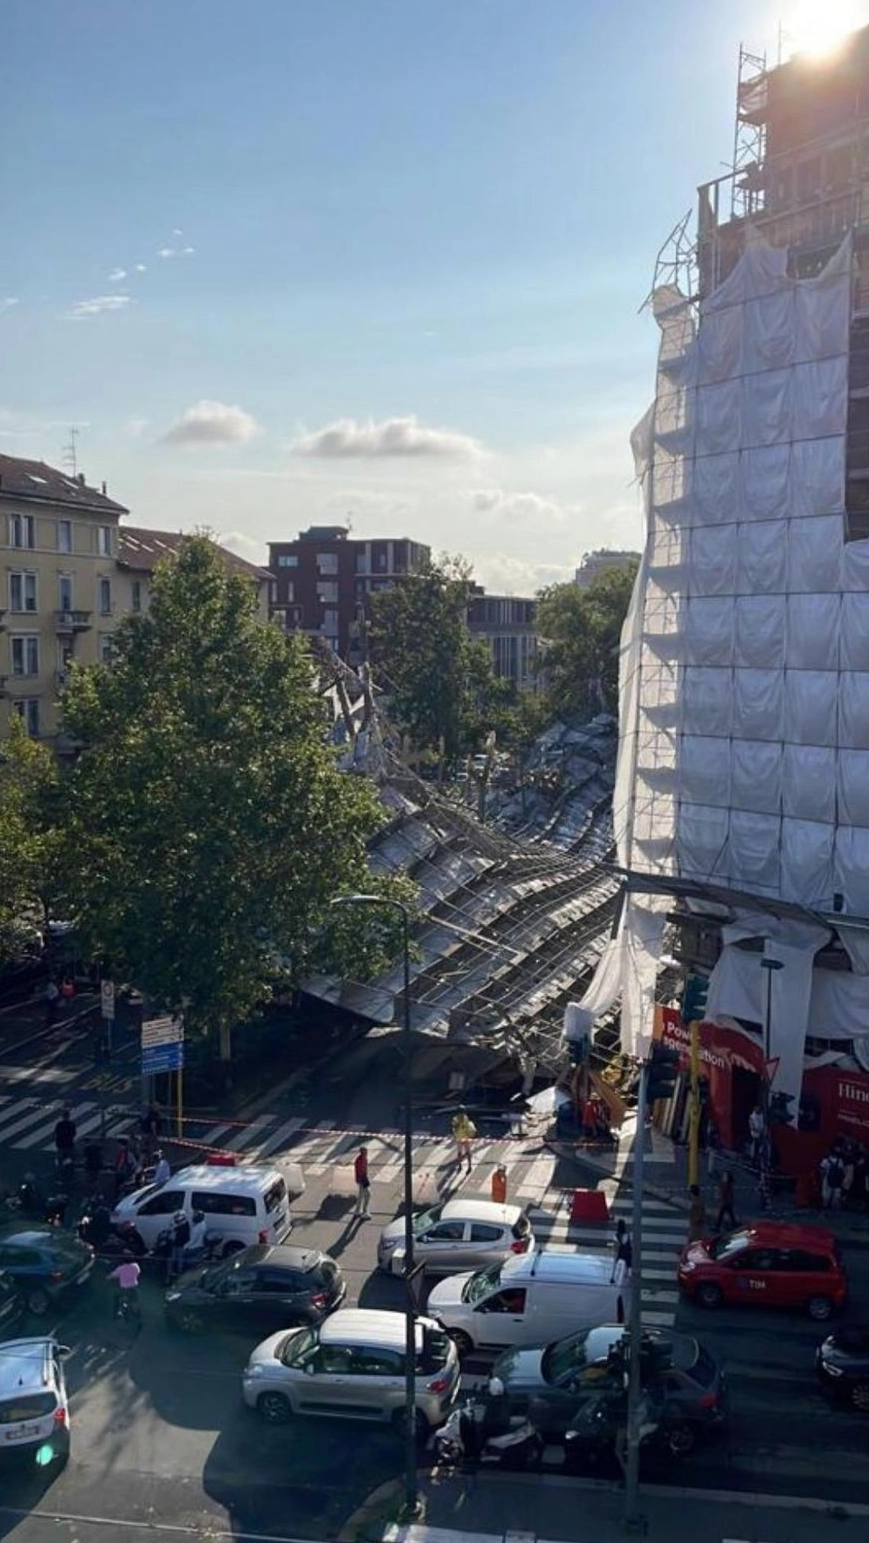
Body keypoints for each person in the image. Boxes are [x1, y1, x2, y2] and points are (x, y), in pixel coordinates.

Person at [108, 1254, 141, 1319]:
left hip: (123, 1290)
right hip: (133, 1289)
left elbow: (113, 1275)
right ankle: (137, 1313)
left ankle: (115, 1313)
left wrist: (108, 1277)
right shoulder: (135, 1266)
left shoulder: (121, 1268)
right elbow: (138, 1272)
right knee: (135, 1301)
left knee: (116, 1298)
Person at [451, 1107, 476, 1173]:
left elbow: (467, 1127)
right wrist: (458, 1124)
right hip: (459, 1137)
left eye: (462, 1112)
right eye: (461, 1113)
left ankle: (469, 1166)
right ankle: (460, 1165)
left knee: (467, 1152)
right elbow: (454, 1127)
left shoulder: (465, 1118)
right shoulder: (455, 1119)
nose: (462, 1114)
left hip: (465, 1137)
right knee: (460, 1153)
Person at [168, 1210, 191, 1282]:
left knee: (178, 1259)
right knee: (173, 1259)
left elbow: (183, 1236)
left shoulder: (184, 1226)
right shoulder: (180, 1225)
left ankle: (177, 1273)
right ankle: (172, 1273)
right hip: (176, 1244)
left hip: (181, 1245)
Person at [54, 1105, 76, 1170]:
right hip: (69, 1143)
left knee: (60, 1157)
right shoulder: (71, 1124)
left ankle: (60, 1168)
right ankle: (67, 1169)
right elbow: (73, 1133)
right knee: (68, 1157)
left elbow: (56, 1132)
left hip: (60, 1143)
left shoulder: (60, 1124)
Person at [611, 1218, 633, 1283]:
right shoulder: (627, 1235)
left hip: (619, 1252)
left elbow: (615, 1245)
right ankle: (628, 1274)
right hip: (626, 1252)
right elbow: (627, 1243)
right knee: (628, 1262)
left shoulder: (616, 1235)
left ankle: (612, 1276)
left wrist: (615, 1252)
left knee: (615, 1263)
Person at [353, 1146, 370, 1217]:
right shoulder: (360, 1160)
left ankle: (357, 1211)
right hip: (362, 1180)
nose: (367, 1153)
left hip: (363, 1179)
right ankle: (364, 1211)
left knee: (361, 1195)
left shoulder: (363, 1159)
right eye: (366, 1151)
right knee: (368, 1195)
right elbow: (360, 1172)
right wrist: (364, 1181)